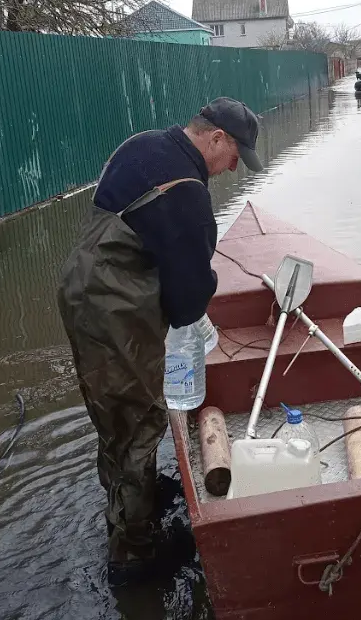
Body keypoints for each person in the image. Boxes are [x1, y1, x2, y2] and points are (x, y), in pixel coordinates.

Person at [57, 97, 263, 587]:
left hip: (80, 286)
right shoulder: (186, 190)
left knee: (113, 414)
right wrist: (194, 302)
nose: (235, 167)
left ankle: (134, 501)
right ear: (215, 138)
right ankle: (135, 554)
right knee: (138, 418)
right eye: (235, 154)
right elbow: (190, 302)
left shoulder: (144, 145)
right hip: (115, 308)